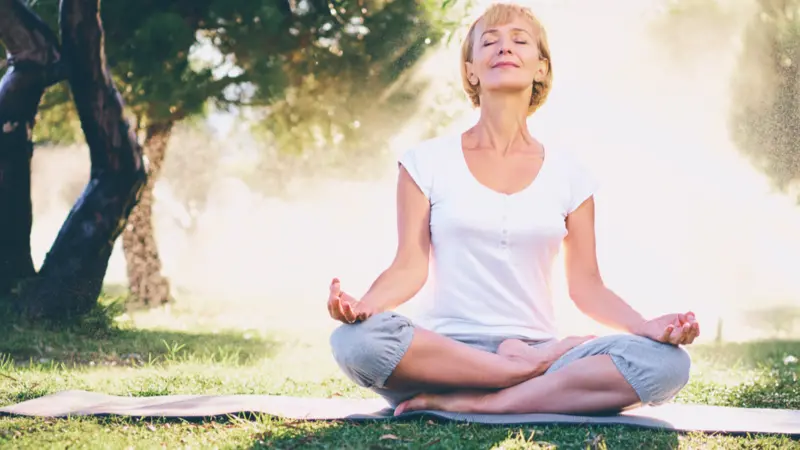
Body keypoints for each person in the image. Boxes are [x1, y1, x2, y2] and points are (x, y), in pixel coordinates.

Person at [326, 2, 699, 416]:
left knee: (667, 363)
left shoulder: (571, 175)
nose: (505, 47)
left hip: (539, 349)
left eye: (520, 40)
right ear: (471, 71)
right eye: (490, 41)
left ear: (541, 67)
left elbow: (587, 287)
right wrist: (365, 306)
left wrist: (646, 328)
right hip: (447, 357)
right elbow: (408, 267)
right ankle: (513, 378)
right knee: (353, 342)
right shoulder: (424, 162)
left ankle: (486, 403)